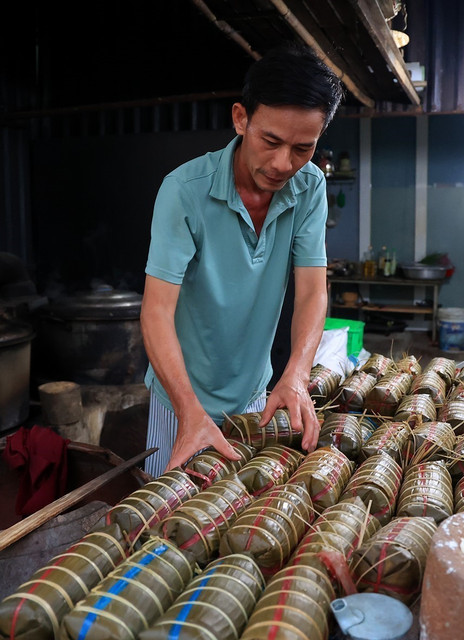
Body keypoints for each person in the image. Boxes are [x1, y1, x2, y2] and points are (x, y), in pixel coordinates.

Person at [140, 43, 344, 477]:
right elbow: (156, 310)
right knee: (165, 522)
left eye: (302, 148)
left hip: (255, 396)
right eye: (270, 141)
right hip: (179, 397)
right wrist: (189, 411)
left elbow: (312, 291)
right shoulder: (184, 191)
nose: (282, 163)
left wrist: (295, 376)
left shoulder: (309, 188)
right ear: (240, 119)